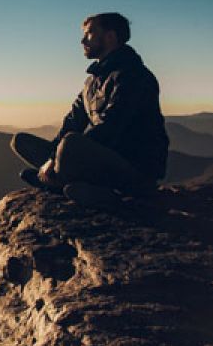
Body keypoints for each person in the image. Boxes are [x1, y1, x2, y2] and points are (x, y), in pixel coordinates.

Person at [10, 12, 169, 208]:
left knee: (71, 143)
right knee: (21, 141)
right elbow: (72, 122)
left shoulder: (133, 76)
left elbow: (110, 127)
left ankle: (69, 185)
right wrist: (53, 156)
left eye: (89, 33)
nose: (82, 40)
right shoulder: (92, 81)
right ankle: (67, 183)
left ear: (110, 37)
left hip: (133, 167)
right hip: (99, 159)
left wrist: (56, 158)